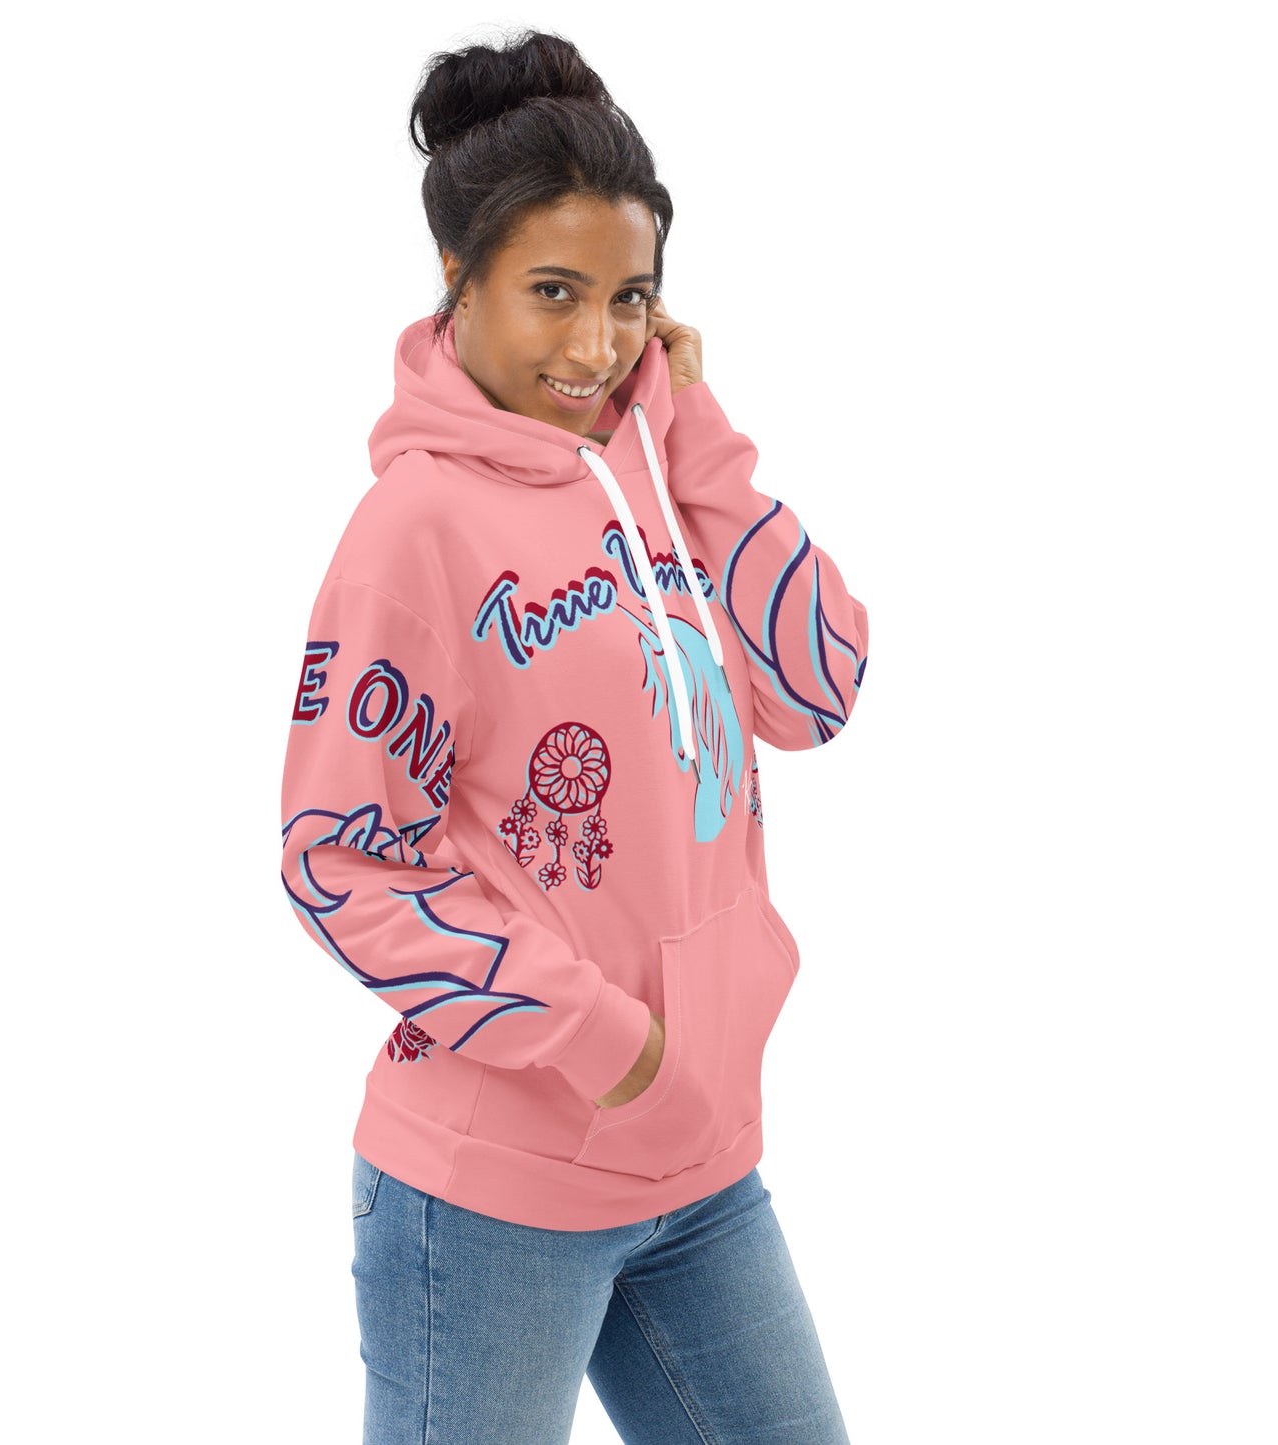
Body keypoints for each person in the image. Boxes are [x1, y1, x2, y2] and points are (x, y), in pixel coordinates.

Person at [279, 28, 869, 1444]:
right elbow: (336, 859)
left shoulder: (660, 468)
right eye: (553, 293)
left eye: (628, 299)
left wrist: (695, 435)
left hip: (703, 1167)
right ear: (458, 277)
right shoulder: (414, 528)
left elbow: (819, 686)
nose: (596, 346)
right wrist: (604, 1039)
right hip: (494, 1192)